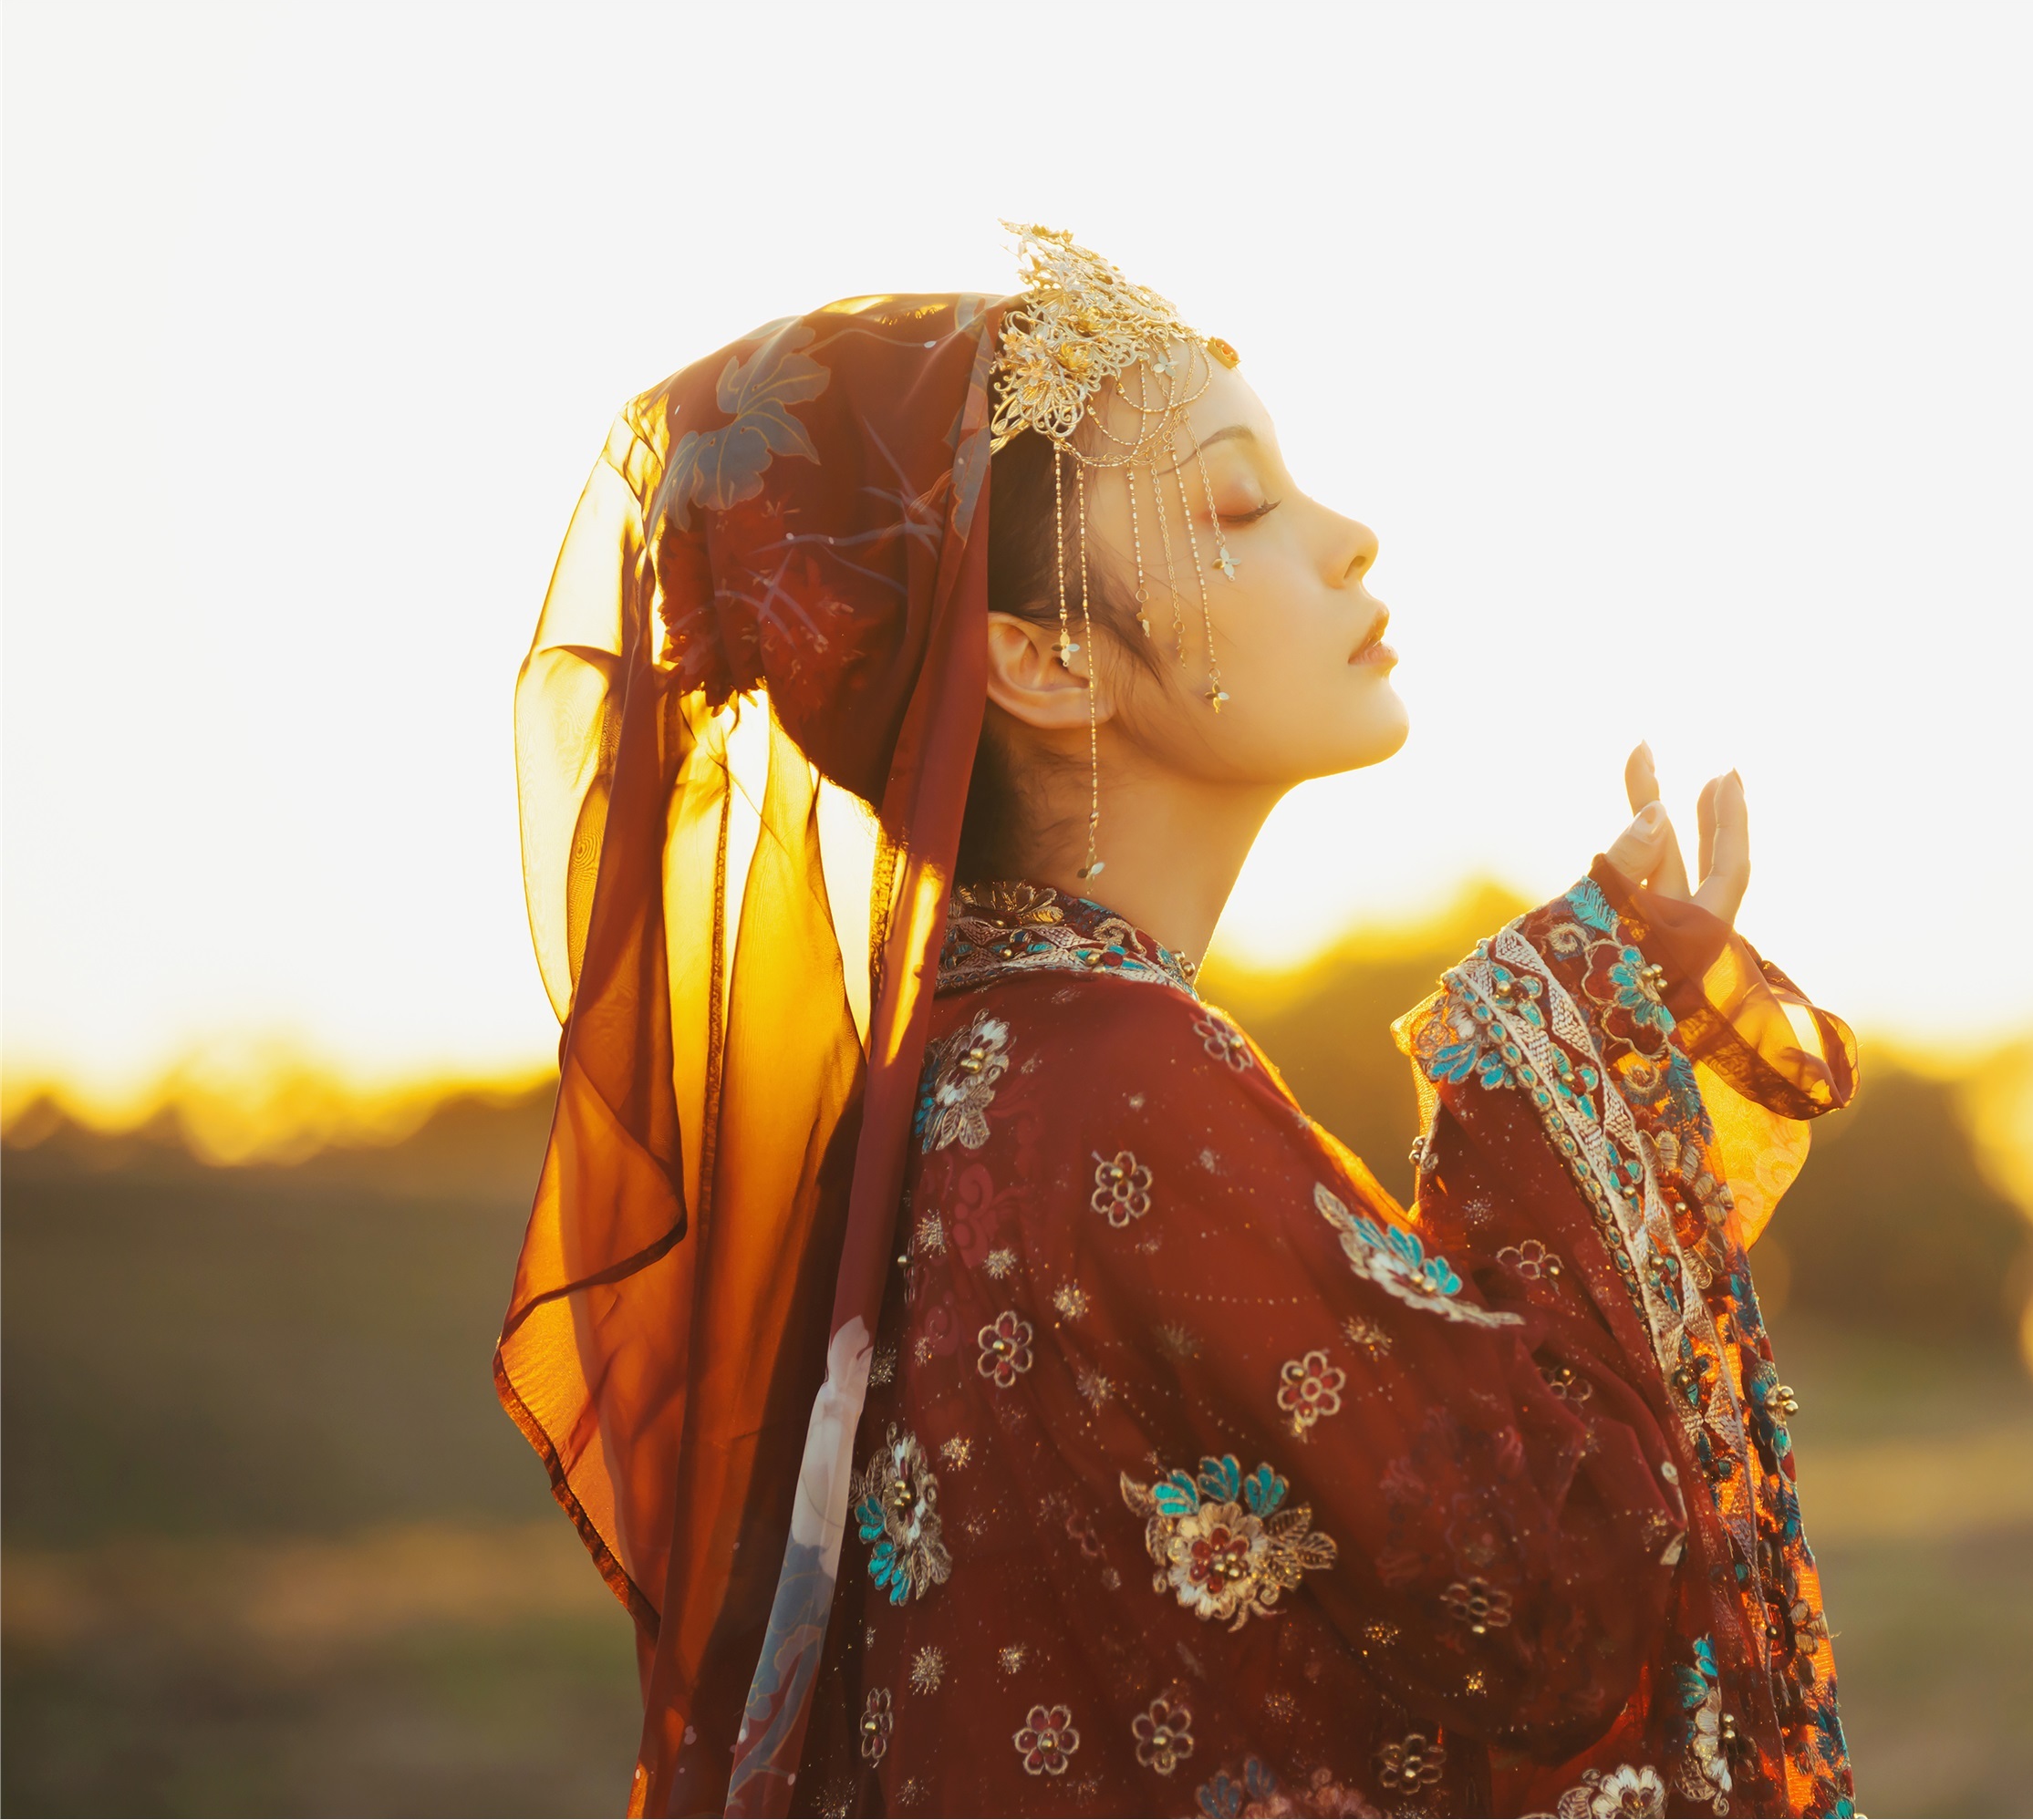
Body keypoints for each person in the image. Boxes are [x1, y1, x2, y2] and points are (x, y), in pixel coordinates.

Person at [503, 224, 1859, 1819]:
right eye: (1236, 506)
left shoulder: (970, 1074)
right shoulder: (1108, 1084)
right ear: (1042, 657)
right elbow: (1538, 1590)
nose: (1349, 540)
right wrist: (1563, 1055)